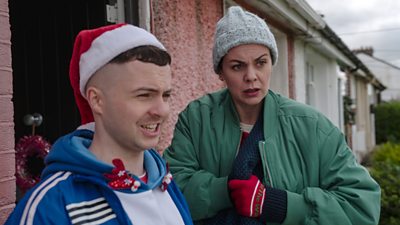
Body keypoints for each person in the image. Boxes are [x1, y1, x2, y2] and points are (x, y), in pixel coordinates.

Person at [164, 6, 380, 225]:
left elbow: (361, 206)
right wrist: (226, 190)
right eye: (237, 66)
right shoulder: (197, 119)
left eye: (260, 63)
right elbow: (170, 189)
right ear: (220, 72)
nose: (251, 76)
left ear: (271, 63)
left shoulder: (312, 127)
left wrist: (280, 205)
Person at [6, 23, 193, 225]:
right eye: (144, 95)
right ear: (96, 100)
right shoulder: (52, 204)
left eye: (165, 95)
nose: (162, 110)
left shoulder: (165, 183)